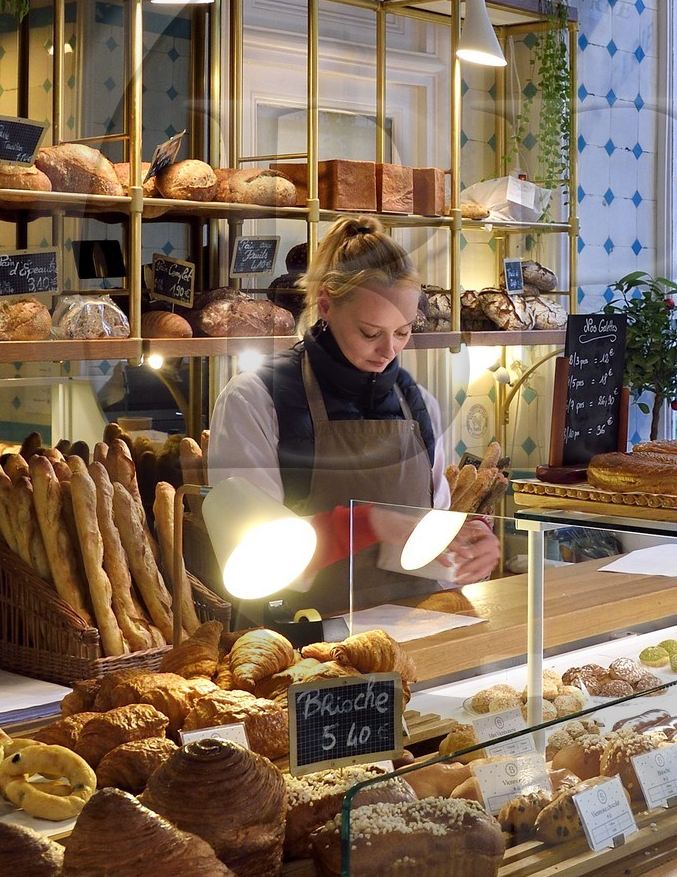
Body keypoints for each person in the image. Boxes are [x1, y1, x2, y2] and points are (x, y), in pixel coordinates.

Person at [207, 217, 500, 615]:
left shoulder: (419, 404)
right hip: (299, 647)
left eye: (403, 332)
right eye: (369, 332)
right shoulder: (255, 399)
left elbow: (429, 543)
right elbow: (248, 548)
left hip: (415, 635)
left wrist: (467, 546)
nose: (389, 351)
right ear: (325, 304)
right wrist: (369, 523)